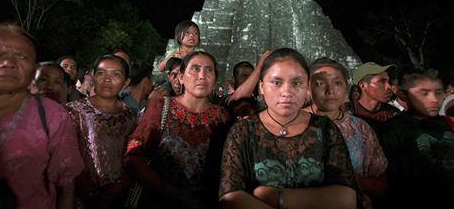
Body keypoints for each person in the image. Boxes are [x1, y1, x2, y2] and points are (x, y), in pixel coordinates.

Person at [219, 48, 358, 208]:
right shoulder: (243, 131)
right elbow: (230, 195)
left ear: (307, 87)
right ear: (262, 87)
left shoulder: (325, 129)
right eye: (277, 83)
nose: (286, 92)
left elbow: (346, 198)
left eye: (296, 83)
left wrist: (277, 197)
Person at [0, 22, 84, 209]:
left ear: (33, 70)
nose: (8, 63)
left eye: (22, 57)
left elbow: (67, 184)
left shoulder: (55, 116)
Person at [126, 51, 231, 208]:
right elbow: (134, 156)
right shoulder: (161, 108)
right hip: (161, 201)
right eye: (195, 69)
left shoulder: (222, 116)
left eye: (209, 70)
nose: (202, 76)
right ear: (181, 77)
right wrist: (171, 192)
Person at [308, 57, 388, 208]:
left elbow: (381, 180)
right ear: (307, 87)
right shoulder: (291, 124)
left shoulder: (360, 128)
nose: (330, 90)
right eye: (319, 83)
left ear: (346, 87)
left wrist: (359, 182)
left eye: (337, 83)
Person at [66, 54, 137, 208]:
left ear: (126, 82)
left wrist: (118, 188)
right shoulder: (74, 111)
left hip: (118, 195)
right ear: (93, 77)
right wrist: (91, 192)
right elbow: (67, 158)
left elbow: (131, 157)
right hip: (80, 195)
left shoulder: (130, 115)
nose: (107, 79)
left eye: (116, 74)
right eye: (101, 73)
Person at [379, 68, 454, 208]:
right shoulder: (392, 129)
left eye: (438, 92)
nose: (434, 99)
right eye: (424, 93)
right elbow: (393, 180)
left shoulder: (448, 123)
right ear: (403, 95)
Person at [345, 62, 400, 133]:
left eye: (388, 82)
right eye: (382, 81)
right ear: (363, 85)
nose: (389, 86)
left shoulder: (394, 114)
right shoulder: (344, 112)